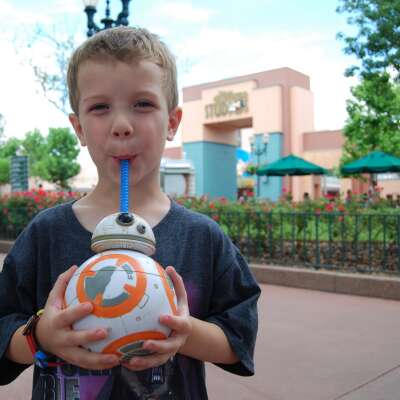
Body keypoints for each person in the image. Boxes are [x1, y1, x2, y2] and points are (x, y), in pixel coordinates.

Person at [0, 27, 260, 399]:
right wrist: (42, 335)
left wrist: (186, 332)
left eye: (142, 104)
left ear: (172, 122)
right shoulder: (46, 233)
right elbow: (3, 329)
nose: (122, 125)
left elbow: (239, 336)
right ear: (79, 128)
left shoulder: (202, 237)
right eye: (100, 107)